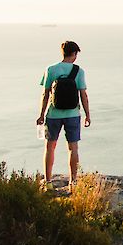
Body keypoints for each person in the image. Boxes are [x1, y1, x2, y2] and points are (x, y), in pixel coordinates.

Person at [36, 40, 90, 189]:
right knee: (73, 148)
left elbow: (45, 94)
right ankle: (73, 181)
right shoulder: (79, 71)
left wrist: (41, 115)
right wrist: (88, 115)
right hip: (73, 114)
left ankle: (47, 181)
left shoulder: (51, 69)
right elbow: (83, 95)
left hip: (53, 115)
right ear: (74, 54)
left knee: (50, 147)